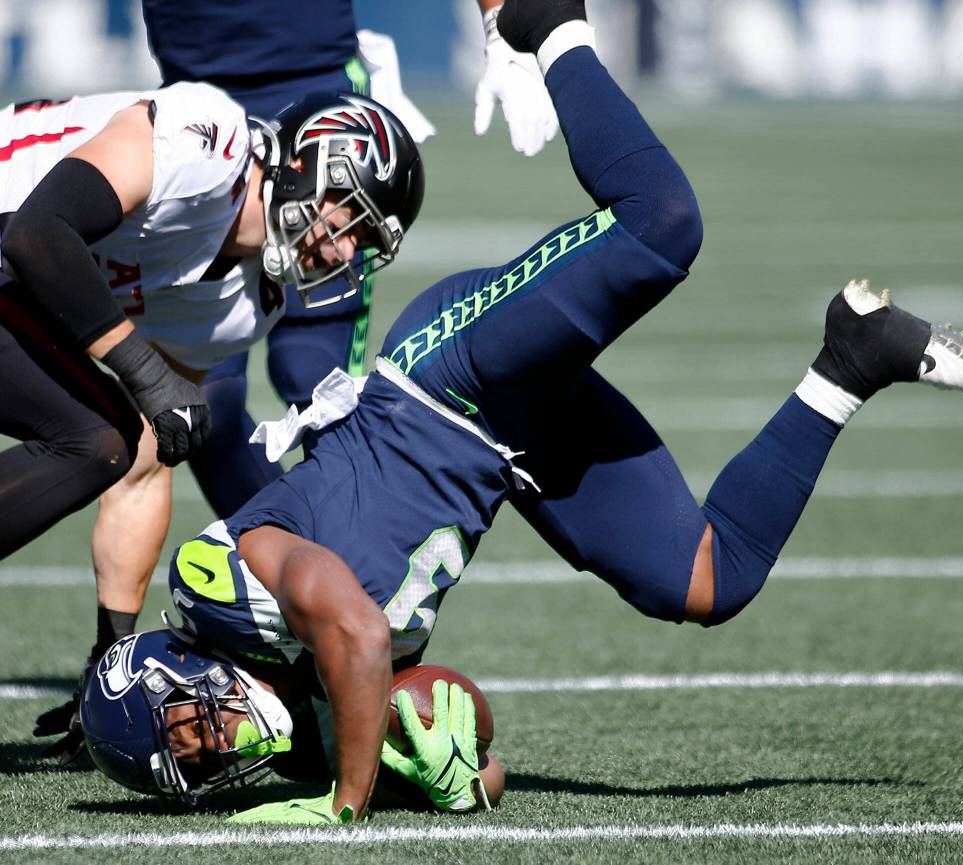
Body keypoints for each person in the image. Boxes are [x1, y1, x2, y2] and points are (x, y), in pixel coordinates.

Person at [85, 0, 963, 824]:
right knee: (706, 578)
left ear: (174, 667)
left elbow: (360, 631)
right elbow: (472, 747)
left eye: (186, 724)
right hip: (496, 446)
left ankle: (548, 23)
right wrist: (448, 753)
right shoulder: (309, 720)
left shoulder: (216, 582)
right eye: (198, 755)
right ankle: (854, 357)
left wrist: (347, 802)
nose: (211, 737)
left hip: (444, 374)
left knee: (660, 223)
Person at [34, 0, 560, 766]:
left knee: (311, 378)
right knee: (196, 409)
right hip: (205, 112)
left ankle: (352, 624)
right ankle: (278, 638)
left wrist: (503, 24)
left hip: (315, 110)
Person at [0, 85, 424, 755]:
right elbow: (36, 234)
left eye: (365, 241)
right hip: (9, 241)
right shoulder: (211, 142)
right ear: (309, 163)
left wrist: (108, 663)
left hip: (12, 287)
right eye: (351, 217)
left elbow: (142, 456)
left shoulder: (249, 304)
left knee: (106, 439)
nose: (345, 252)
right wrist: (141, 367)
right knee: (93, 434)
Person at [80, 626, 506, 817]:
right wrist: (451, 776)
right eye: (201, 766)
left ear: (182, 664)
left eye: (198, 728)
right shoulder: (301, 752)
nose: (221, 748)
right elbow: (489, 777)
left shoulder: (254, 617)